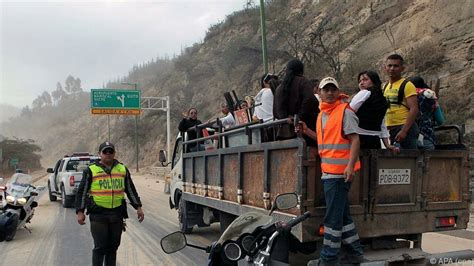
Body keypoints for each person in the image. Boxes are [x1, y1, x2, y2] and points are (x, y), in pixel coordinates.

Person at [296, 77, 364, 265]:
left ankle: (328, 258)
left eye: (333, 89)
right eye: (326, 90)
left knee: (332, 219)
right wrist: (307, 131)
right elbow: (323, 140)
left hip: (340, 174)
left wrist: (350, 166)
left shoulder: (344, 112)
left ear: (338, 91)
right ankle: (355, 252)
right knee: (343, 215)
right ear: (319, 92)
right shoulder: (323, 114)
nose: (330, 93)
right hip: (329, 173)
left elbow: (355, 140)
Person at [75, 141, 144, 266]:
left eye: (110, 151)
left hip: (117, 214)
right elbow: (82, 192)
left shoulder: (122, 169)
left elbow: (130, 189)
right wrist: (80, 211)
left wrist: (138, 207)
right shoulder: (91, 170)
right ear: (99, 154)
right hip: (98, 215)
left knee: (113, 248)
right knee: (100, 248)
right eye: (105, 151)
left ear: (114, 153)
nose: (108, 154)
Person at [274, 58, 319, 145]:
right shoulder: (303, 82)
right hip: (306, 132)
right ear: (301, 70)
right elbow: (311, 100)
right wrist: (298, 118)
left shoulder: (279, 88)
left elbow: (276, 111)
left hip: (284, 134)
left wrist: (285, 119)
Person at [350, 70, 395, 150]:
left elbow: (349, 111)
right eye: (360, 81)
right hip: (375, 140)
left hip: (359, 137)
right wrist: (387, 144)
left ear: (374, 81)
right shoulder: (383, 100)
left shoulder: (364, 93)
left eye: (365, 80)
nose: (361, 83)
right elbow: (382, 124)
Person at [383, 54, 419, 149]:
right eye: (389, 65)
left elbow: (414, 109)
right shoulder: (385, 86)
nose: (392, 68)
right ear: (385, 67)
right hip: (390, 128)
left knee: (409, 160)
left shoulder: (407, 85)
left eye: (396, 66)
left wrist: (404, 131)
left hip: (405, 128)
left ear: (402, 68)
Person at [409, 76, 445, 150]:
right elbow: (440, 121)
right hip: (426, 139)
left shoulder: (405, 98)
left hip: (406, 139)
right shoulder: (431, 99)